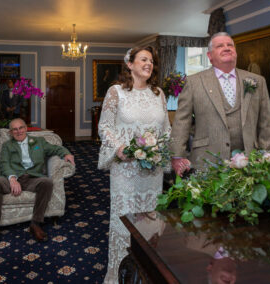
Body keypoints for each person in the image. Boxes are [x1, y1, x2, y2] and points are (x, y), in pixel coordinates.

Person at [98, 45, 171, 283]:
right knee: (125, 222)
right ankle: (121, 275)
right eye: (143, 60)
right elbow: (105, 127)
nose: (149, 64)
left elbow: (166, 130)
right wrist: (120, 148)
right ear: (130, 64)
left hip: (152, 171)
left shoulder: (159, 93)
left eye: (151, 60)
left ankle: (147, 274)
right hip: (126, 170)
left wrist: (159, 147)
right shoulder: (116, 92)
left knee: (151, 221)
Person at [171, 32, 270, 175]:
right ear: (209, 56)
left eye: (230, 45)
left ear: (235, 52)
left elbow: (266, 122)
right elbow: (182, 121)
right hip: (206, 160)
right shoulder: (194, 82)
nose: (226, 48)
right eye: (220, 46)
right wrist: (177, 155)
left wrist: (267, 154)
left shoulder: (257, 81)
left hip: (249, 162)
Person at [0, 118, 75, 249]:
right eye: (14, 129)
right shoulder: (7, 145)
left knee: (47, 182)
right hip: (13, 178)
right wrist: (12, 179)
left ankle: (36, 223)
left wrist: (66, 154)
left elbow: (56, 149)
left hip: (32, 178)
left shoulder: (39, 142)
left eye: (21, 128)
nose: (18, 131)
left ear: (26, 129)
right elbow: (4, 164)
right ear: (11, 132)